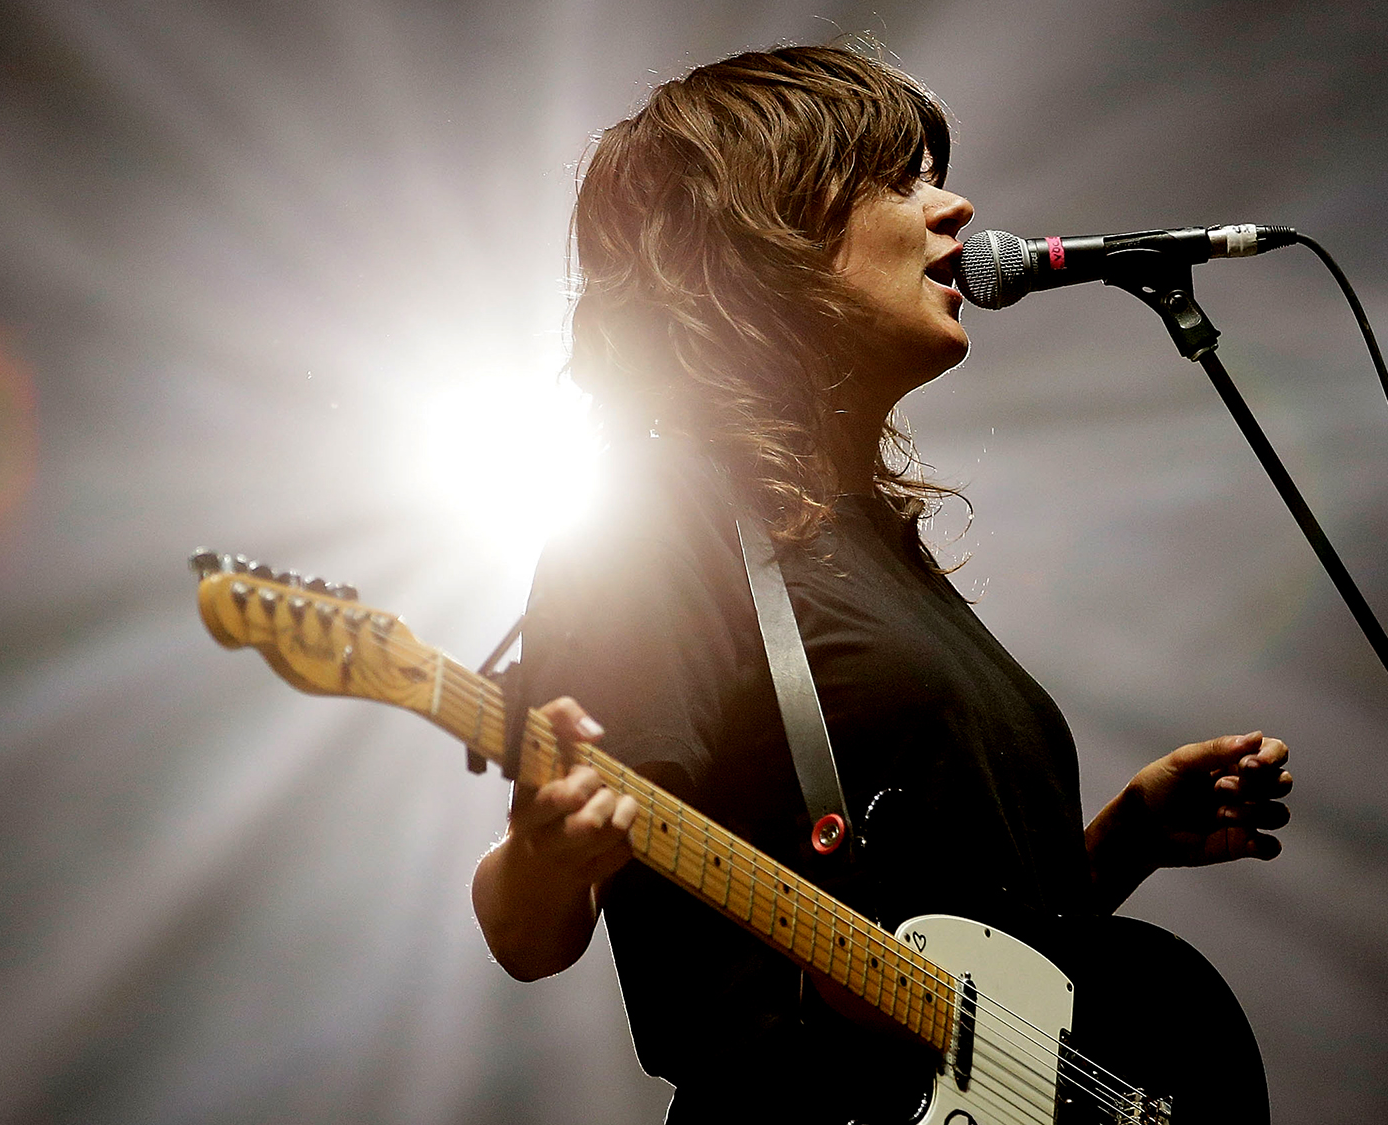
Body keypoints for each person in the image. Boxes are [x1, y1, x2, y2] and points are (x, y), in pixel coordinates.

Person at [470, 43, 1293, 1123]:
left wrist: (1122, 839)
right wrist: (543, 850)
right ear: (767, 231)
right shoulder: (661, 523)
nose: (955, 208)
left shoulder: (868, 546)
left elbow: (970, 979)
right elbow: (530, 932)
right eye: (900, 180)